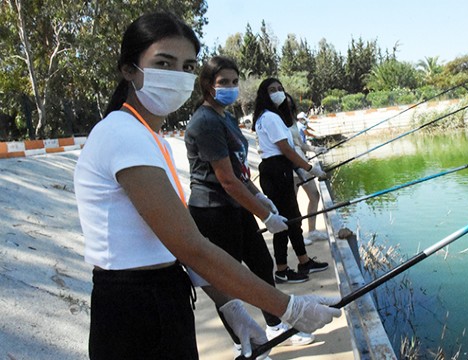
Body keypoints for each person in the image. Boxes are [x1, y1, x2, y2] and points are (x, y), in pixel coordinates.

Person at [73, 12, 340, 360]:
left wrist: (229, 305)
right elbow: (191, 246)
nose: (177, 76)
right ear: (129, 70)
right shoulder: (122, 134)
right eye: (163, 63)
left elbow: (172, 245)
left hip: (163, 293)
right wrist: (288, 308)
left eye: (187, 66)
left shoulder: (148, 138)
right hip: (134, 308)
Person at [184, 56, 316, 350]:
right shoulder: (205, 122)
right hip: (213, 211)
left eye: (234, 81)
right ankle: (243, 344)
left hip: (237, 205)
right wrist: (266, 217)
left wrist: (257, 196)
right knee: (226, 281)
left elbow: (239, 170)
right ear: (207, 86)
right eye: (223, 83)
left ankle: (275, 327)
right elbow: (226, 180)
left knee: (261, 264)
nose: (230, 88)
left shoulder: (226, 117)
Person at [251, 78, 328, 284]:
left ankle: (304, 262)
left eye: (280, 89)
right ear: (263, 95)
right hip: (277, 170)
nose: (278, 92)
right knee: (284, 222)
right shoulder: (269, 118)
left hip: (279, 169)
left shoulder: (270, 116)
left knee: (293, 219)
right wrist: (311, 168)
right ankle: (282, 270)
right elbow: (286, 149)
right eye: (272, 90)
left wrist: (303, 170)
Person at [282, 93, 329, 244]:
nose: (287, 106)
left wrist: (315, 149)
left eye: (289, 103)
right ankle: (297, 236)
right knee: (292, 204)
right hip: (292, 168)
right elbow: (287, 149)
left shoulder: (293, 121)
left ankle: (313, 231)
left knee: (314, 196)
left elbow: (300, 145)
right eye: (284, 103)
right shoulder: (277, 122)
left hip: (304, 164)